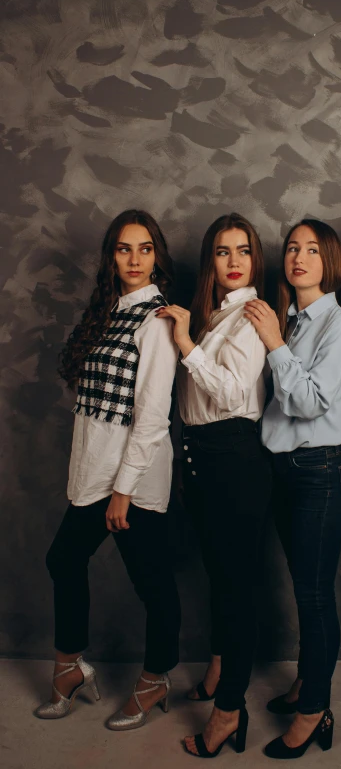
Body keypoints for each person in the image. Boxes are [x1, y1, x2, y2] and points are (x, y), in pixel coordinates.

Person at [35, 210, 180, 731]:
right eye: (124, 249)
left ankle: (157, 676)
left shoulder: (158, 319)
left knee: (153, 584)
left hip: (131, 479)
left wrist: (123, 490)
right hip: (97, 472)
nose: (135, 259)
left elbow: (153, 416)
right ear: (111, 257)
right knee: (64, 560)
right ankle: (69, 668)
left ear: (157, 255)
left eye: (144, 249)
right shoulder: (112, 311)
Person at [244, 219, 341, 759]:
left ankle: (315, 709)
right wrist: (276, 338)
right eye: (292, 247)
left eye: (313, 249)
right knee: (301, 587)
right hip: (285, 472)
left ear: (329, 261)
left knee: (314, 597)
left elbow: (310, 402)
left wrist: (271, 343)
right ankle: (304, 686)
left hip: (320, 474)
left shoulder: (340, 327)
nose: (299, 257)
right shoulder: (290, 321)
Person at [157, 212, 271, 758]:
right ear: (211, 261)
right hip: (200, 456)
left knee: (237, 589)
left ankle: (228, 711)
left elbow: (228, 394)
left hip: (234, 457)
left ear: (255, 259)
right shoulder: (212, 316)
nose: (233, 261)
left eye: (243, 250)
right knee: (219, 581)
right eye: (223, 252)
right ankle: (219, 672)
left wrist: (184, 342)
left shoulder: (252, 315)